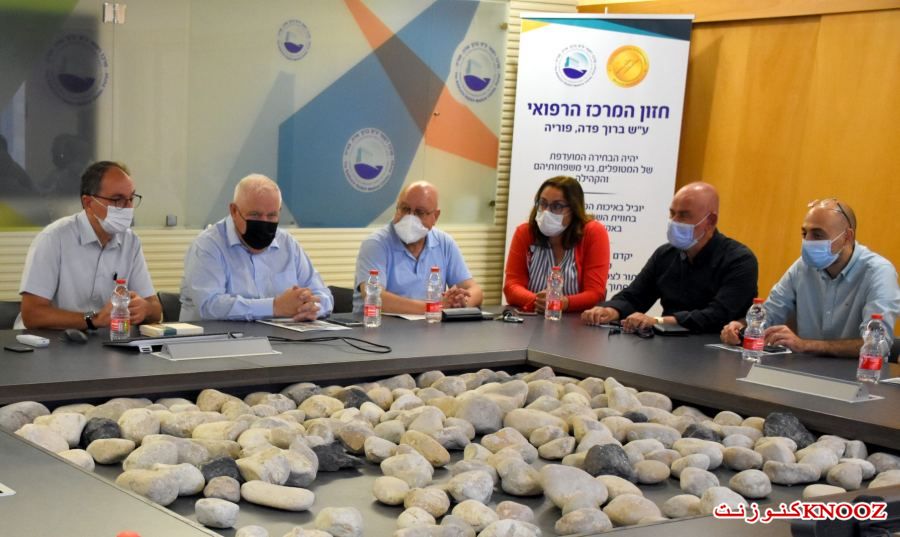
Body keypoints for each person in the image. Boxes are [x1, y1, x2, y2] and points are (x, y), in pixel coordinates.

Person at [721, 198, 900, 357]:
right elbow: (769, 314)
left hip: (859, 376)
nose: (808, 241)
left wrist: (805, 345)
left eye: (818, 235)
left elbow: (878, 344)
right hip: (804, 370)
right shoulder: (803, 267)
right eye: (804, 234)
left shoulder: (879, 272)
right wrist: (741, 327)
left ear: (847, 237)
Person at [581, 182, 758, 333]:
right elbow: (635, 296)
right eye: (672, 213)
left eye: (684, 215)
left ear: (710, 221)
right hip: (666, 347)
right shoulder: (665, 254)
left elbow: (717, 315)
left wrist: (658, 321)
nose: (674, 221)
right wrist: (610, 310)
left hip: (716, 350)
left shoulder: (740, 260)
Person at [17, 161, 161, 329]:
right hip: (48, 340)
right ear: (88, 203)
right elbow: (32, 314)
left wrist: (145, 309)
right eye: (117, 200)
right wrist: (93, 319)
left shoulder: (131, 241)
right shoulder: (54, 238)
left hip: (102, 341)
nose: (128, 208)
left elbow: (156, 310)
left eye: (131, 198)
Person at [179, 174, 333, 321]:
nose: (264, 222)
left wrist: (311, 308)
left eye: (271, 215)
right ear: (234, 211)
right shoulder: (208, 245)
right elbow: (210, 305)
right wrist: (274, 307)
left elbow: (323, 295)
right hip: (217, 338)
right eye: (255, 215)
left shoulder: (288, 244)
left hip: (280, 336)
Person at [353, 181, 484, 314]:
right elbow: (375, 297)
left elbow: (475, 290)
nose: (410, 218)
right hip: (378, 325)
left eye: (419, 212)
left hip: (430, 325)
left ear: (435, 216)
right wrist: (436, 308)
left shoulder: (444, 243)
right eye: (405, 209)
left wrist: (460, 303)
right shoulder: (375, 244)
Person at [504, 176, 610, 313]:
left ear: (573, 209)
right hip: (533, 317)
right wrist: (539, 300)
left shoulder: (593, 232)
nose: (546, 211)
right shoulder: (525, 232)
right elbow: (511, 286)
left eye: (557, 206)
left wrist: (564, 303)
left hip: (576, 321)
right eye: (543, 203)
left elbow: (595, 294)